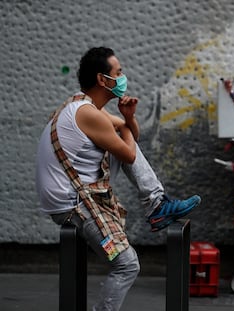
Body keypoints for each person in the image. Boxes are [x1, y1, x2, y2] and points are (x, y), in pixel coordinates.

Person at [35, 47, 201, 311]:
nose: (123, 78)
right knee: (126, 265)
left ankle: (156, 203)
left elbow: (129, 135)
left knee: (122, 144)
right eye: (119, 72)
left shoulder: (82, 105)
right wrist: (124, 128)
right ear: (103, 80)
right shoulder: (88, 114)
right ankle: (156, 204)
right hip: (74, 206)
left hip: (76, 196)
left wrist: (128, 118)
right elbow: (128, 151)